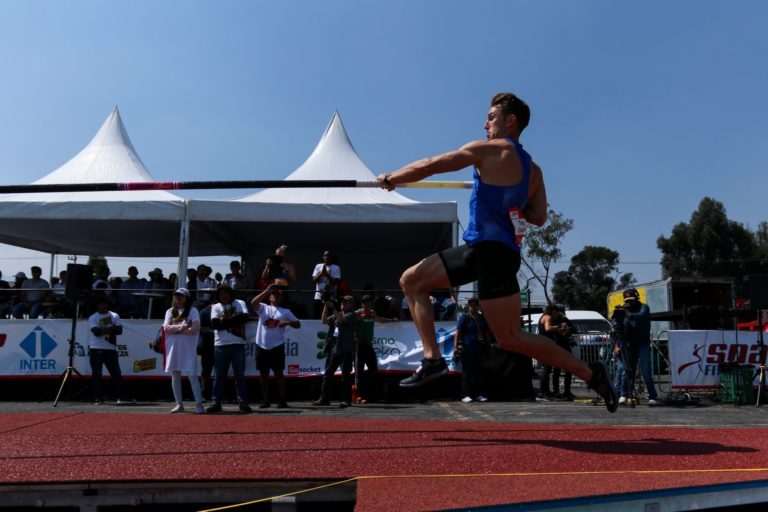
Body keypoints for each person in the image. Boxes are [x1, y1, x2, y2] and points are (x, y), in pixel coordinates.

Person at [376, 92, 617, 412]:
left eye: (491, 117)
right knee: (412, 281)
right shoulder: (534, 171)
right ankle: (433, 359)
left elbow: (433, 165)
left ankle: (590, 373)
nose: (485, 123)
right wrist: (512, 205)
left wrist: (393, 178)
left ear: (510, 120)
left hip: (491, 254)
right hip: (485, 250)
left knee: (511, 338)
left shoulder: (486, 150)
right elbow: (539, 217)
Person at [250, 283, 301, 409]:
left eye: (278, 295)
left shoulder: (286, 311)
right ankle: (265, 400)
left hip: (277, 346)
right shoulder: (263, 307)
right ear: (270, 297)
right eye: (274, 295)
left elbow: (298, 324)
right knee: (263, 374)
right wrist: (266, 291)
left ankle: (282, 400)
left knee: (279, 373)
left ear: (281, 298)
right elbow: (253, 303)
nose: (276, 297)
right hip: (261, 345)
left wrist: (287, 322)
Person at [207, 284, 252, 414]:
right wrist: (234, 320)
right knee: (219, 376)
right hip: (220, 345)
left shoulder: (240, 303)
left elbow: (244, 318)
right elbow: (215, 325)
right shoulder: (216, 307)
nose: (224, 296)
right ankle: (216, 402)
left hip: (238, 344)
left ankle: (243, 402)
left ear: (231, 293)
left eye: (226, 293)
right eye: (221, 294)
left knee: (240, 376)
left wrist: (224, 321)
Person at [163, 288, 205, 414]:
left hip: (188, 348)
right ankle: (178, 404)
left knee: (192, 375)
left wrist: (177, 329)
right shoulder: (170, 311)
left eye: (181, 296)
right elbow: (166, 328)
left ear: (187, 298)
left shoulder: (193, 311)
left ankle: (199, 404)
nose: (178, 298)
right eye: (176, 296)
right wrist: (183, 326)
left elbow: (195, 328)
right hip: (173, 348)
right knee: (175, 375)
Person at [614, 288, 659, 406]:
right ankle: (624, 394)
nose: (629, 303)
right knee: (627, 371)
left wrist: (628, 313)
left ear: (637, 298)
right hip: (629, 345)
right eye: (627, 300)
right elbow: (619, 330)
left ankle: (652, 396)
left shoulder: (644, 307)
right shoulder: (623, 311)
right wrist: (618, 344)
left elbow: (642, 316)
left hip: (642, 344)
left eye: (632, 300)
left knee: (645, 371)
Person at [313, 296, 357, 408]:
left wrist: (333, 308)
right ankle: (324, 399)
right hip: (335, 349)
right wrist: (326, 306)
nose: (343, 303)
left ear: (351, 304)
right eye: (342, 301)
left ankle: (346, 400)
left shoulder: (352, 314)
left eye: (346, 302)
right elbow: (324, 320)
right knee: (328, 374)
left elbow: (342, 320)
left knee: (346, 375)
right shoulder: (338, 313)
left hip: (346, 349)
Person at [354, 294, 398, 403]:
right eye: (366, 303)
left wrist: (392, 320)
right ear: (362, 304)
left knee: (373, 369)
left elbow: (380, 320)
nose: (368, 305)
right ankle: (358, 395)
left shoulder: (372, 313)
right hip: (360, 345)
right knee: (359, 370)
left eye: (369, 303)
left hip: (369, 345)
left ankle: (370, 395)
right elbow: (350, 325)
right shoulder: (357, 313)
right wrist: (355, 337)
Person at [87, 296, 127, 404]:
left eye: (105, 303)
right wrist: (111, 329)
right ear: (97, 306)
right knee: (97, 374)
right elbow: (96, 332)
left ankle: (120, 397)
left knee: (116, 374)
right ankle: (98, 398)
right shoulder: (93, 317)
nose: (103, 306)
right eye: (101, 304)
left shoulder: (114, 315)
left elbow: (119, 330)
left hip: (110, 348)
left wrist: (103, 330)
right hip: (96, 348)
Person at [454, 297, 491, 403]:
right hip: (467, 348)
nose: (473, 307)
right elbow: (458, 332)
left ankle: (477, 394)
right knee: (466, 372)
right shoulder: (465, 317)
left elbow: (486, 333)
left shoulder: (481, 318)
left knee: (478, 373)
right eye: (471, 305)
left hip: (479, 348)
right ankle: (465, 394)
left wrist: (489, 345)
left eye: (475, 305)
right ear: (468, 306)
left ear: (478, 306)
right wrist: (455, 347)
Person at [537, 304, 575, 401]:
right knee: (548, 369)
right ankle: (545, 391)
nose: (558, 315)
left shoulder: (558, 318)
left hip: (553, 345)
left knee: (550, 369)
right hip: (549, 346)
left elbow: (572, 329)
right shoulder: (548, 317)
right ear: (554, 311)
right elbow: (548, 328)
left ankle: (549, 391)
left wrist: (565, 329)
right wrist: (559, 327)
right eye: (557, 313)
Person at [311, 250, 341, 319]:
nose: (327, 257)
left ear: (332, 257)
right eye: (325, 255)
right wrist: (321, 273)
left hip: (331, 297)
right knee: (318, 317)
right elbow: (314, 281)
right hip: (318, 297)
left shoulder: (336, 268)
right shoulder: (318, 266)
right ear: (323, 257)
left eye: (328, 256)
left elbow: (336, 282)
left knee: (330, 318)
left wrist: (327, 274)